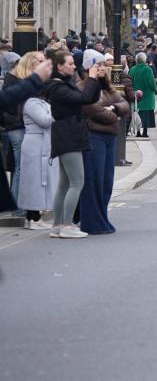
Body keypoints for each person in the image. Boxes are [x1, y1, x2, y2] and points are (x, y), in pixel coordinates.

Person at [42, 47, 104, 239]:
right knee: (77, 182)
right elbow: (84, 98)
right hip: (68, 136)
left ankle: (57, 225)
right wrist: (92, 78)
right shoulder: (58, 87)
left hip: (66, 135)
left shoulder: (61, 85)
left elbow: (89, 98)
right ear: (59, 66)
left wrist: (97, 80)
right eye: (70, 64)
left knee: (64, 183)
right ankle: (67, 225)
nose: (74, 66)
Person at [79, 58, 129, 235]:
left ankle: (102, 218)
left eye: (102, 65)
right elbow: (91, 109)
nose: (101, 68)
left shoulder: (107, 88)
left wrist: (113, 108)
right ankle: (92, 222)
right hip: (94, 136)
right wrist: (113, 116)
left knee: (107, 182)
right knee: (95, 181)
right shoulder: (83, 87)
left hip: (109, 138)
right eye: (97, 65)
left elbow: (125, 105)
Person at [6, 51, 45, 226]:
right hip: (18, 127)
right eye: (40, 60)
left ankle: (24, 206)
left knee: (24, 167)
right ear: (30, 62)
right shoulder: (15, 80)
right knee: (22, 167)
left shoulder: (32, 80)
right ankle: (19, 206)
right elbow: (9, 107)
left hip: (28, 126)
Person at [19, 90, 56, 229]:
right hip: (35, 145)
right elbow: (45, 121)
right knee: (33, 182)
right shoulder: (31, 103)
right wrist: (58, 110)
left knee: (36, 182)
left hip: (40, 143)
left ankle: (34, 217)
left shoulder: (38, 102)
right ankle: (32, 218)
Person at [130, 53, 157, 138]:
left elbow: (130, 82)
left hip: (136, 96)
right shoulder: (148, 69)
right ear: (144, 60)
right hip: (147, 96)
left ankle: (138, 132)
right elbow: (151, 83)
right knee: (146, 115)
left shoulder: (133, 69)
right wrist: (154, 88)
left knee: (137, 113)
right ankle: (145, 132)